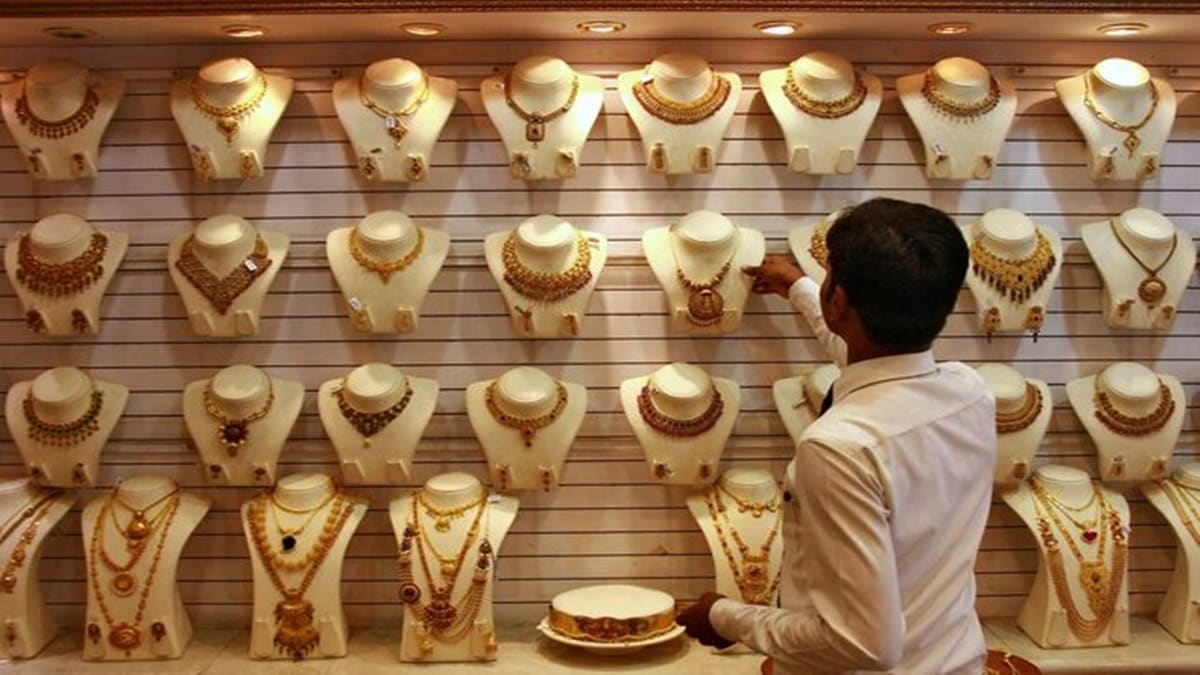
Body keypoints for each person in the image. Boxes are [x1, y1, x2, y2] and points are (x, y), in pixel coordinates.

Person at [676, 197, 996, 674]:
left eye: (827, 278)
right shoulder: (970, 392)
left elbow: (864, 644)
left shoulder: (839, 449)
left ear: (839, 300)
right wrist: (801, 289)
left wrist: (726, 618)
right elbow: (873, 364)